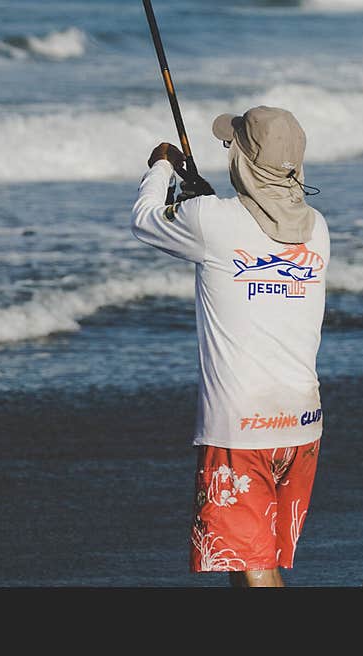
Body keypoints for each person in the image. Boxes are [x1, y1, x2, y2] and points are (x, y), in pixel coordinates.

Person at [131, 106, 330, 587]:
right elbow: (253, 236)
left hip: (241, 427)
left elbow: (145, 220)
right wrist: (209, 203)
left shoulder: (209, 220)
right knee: (255, 560)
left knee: (251, 565)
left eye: (232, 146)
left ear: (245, 157)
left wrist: (160, 165)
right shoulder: (317, 227)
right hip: (301, 425)